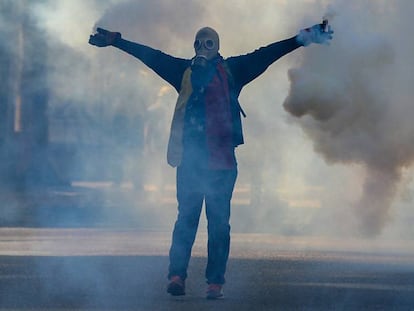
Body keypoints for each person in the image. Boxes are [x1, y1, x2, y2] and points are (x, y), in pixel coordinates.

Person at [89, 21, 333, 299]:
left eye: (208, 44)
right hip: (190, 164)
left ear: (217, 48)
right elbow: (151, 56)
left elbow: (269, 53)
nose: (202, 48)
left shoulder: (233, 71)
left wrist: (306, 36)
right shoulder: (183, 71)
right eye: (198, 44)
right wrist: (117, 41)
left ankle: (214, 283)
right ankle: (177, 276)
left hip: (222, 166)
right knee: (186, 221)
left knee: (219, 225)